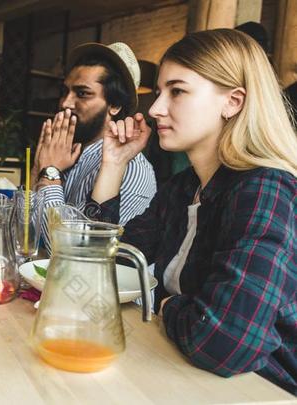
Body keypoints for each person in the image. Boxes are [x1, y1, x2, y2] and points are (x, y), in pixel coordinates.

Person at [87, 29, 296, 393]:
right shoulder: (183, 189)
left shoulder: (265, 190)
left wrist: (166, 307)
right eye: (159, 91)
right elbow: (102, 267)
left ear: (233, 102)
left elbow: (225, 341)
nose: (153, 109)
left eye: (177, 91)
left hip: (262, 391)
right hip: (187, 377)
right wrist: (114, 164)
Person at [32, 42, 156, 252]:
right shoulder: (68, 156)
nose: (66, 103)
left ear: (115, 105)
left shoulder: (129, 167)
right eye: (66, 92)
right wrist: (38, 170)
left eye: (82, 93)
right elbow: (24, 235)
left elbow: (71, 252)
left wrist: (49, 175)